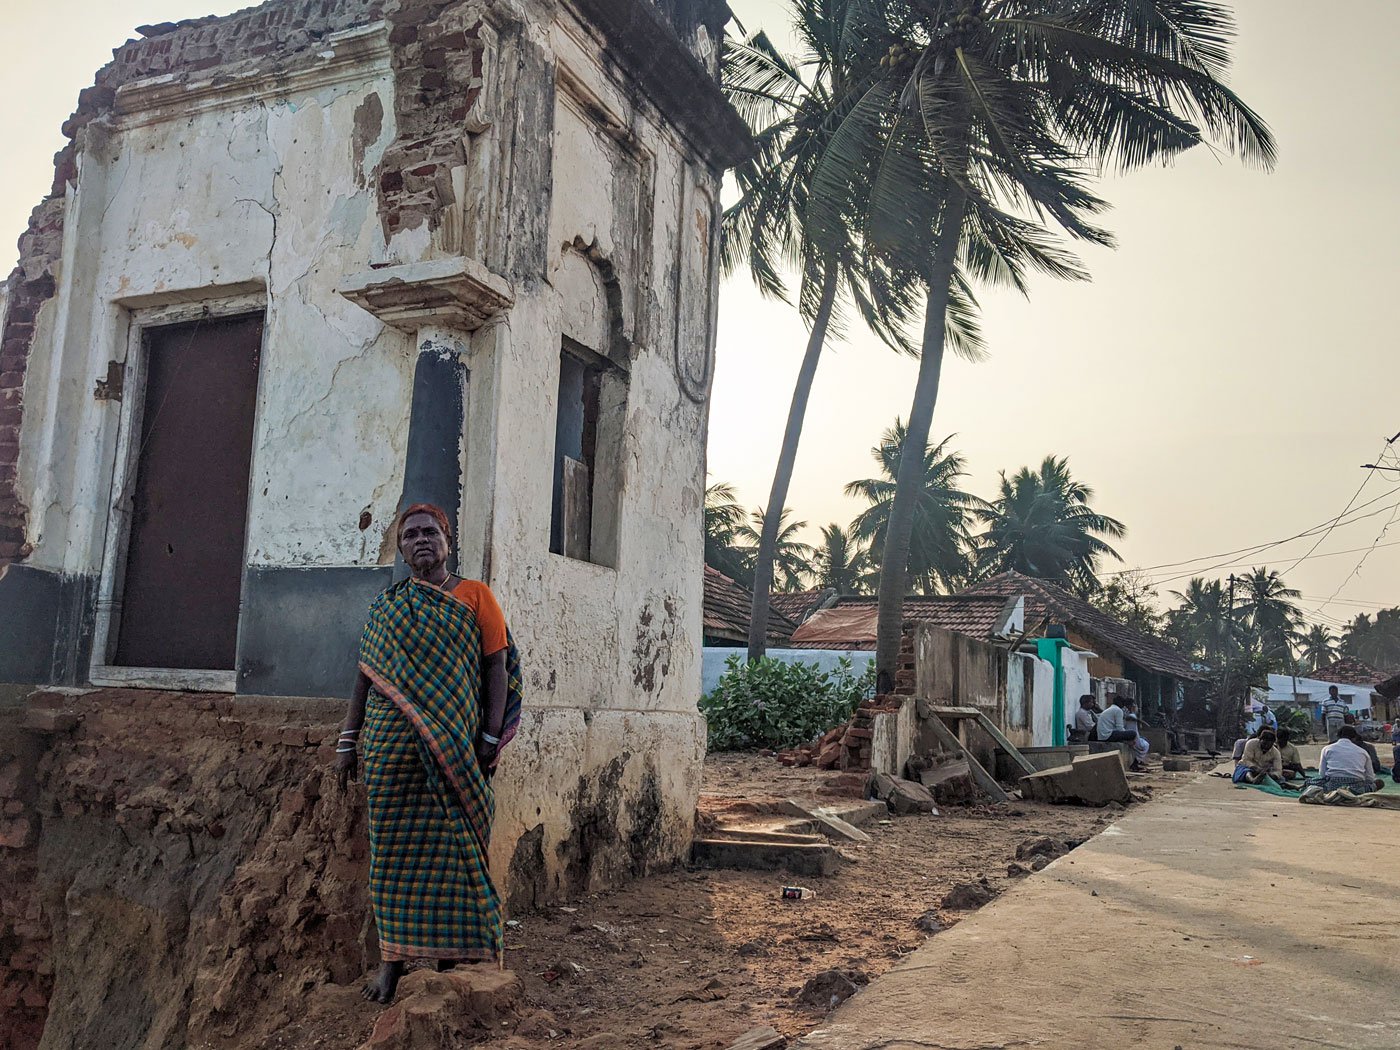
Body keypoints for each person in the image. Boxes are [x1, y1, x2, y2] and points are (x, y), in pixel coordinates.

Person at [336, 504, 524, 1004]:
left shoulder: (476, 597)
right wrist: (347, 741)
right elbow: (364, 677)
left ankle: (449, 956)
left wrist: (488, 738)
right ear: (401, 549)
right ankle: (392, 966)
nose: (422, 540)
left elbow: (497, 668)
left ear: (448, 539)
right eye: (411, 534)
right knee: (393, 860)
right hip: (387, 756)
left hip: (454, 753)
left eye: (431, 532)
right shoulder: (388, 606)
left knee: (455, 853)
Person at [1317, 726, 1383, 794]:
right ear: (1354, 737)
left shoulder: (1327, 749)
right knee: (1379, 783)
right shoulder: (1363, 752)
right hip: (1357, 789)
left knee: (1310, 782)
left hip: (1332, 788)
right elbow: (1370, 777)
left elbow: (1322, 773)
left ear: (1337, 736)